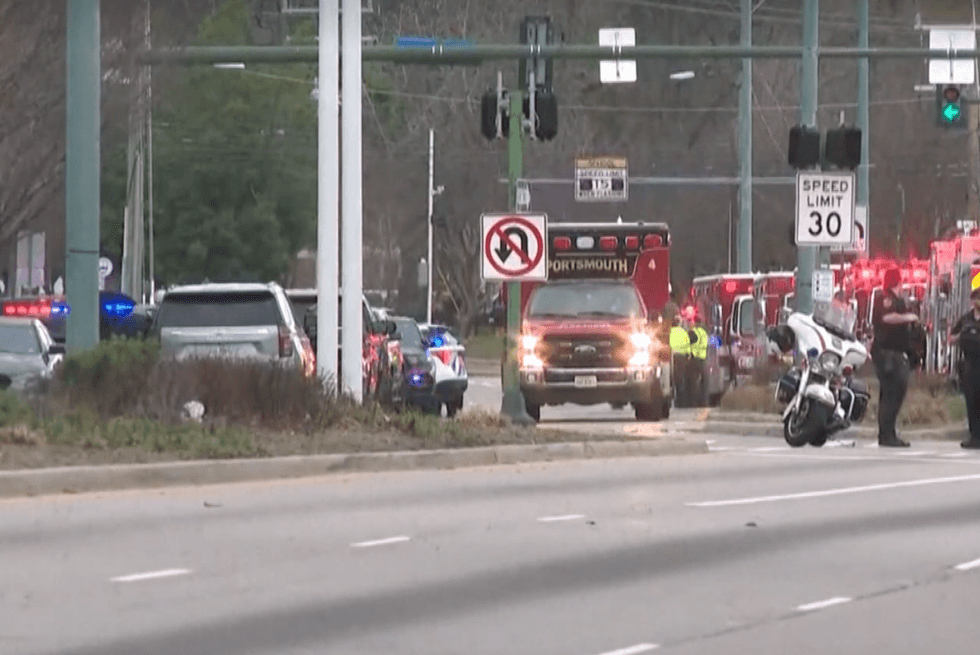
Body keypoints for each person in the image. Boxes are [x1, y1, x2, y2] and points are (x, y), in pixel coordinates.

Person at [871, 266, 919, 447]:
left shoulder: (897, 299)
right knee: (892, 394)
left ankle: (888, 433)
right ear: (895, 281)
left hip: (896, 353)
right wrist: (908, 317)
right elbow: (887, 318)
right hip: (888, 354)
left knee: (891, 395)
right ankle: (886, 435)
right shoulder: (887, 298)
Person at [949, 287, 980, 449]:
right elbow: (950, 338)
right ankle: (974, 436)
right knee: (971, 401)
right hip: (969, 364)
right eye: (976, 299)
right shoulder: (966, 319)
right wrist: (961, 335)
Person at [669, 316, 691, 407]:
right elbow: (687, 344)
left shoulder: (670, 332)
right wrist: (688, 354)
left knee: (674, 379)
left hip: (673, 357)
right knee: (681, 378)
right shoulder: (683, 332)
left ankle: (675, 399)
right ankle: (682, 401)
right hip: (682, 357)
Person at [687, 314, 709, 406]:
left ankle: (694, 403)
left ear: (695, 323)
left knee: (694, 382)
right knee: (704, 383)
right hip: (703, 360)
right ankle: (704, 402)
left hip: (695, 359)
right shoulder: (704, 333)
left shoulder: (694, 332)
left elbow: (688, 343)